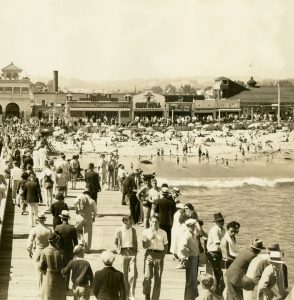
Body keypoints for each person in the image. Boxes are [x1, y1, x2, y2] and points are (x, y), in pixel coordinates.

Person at [142, 215, 168, 300]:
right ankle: (147, 296)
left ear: (158, 222)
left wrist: (163, 256)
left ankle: (155, 298)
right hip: (149, 253)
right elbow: (144, 246)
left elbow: (166, 245)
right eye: (152, 221)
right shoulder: (145, 232)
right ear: (149, 222)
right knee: (147, 277)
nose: (154, 223)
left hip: (159, 255)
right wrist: (150, 238)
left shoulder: (163, 232)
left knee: (158, 278)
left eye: (156, 222)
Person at [114, 215, 138, 300]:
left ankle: (131, 293)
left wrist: (135, 252)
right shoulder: (119, 230)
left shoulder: (133, 230)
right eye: (129, 221)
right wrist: (118, 251)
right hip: (123, 253)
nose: (131, 222)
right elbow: (115, 242)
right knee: (124, 275)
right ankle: (125, 295)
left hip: (132, 252)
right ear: (124, 222)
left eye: (131, 221)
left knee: (133, 275)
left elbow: (135, 241)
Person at [27, 212, 52, 290]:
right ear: (44, 220)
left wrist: (29, 250)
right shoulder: (49, 230)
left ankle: (40, 289)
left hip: (38, 251)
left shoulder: (34, 230)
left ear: (38, 220)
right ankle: (47, 288)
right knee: (47, 271)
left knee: (39, 271)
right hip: (47, 251)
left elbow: (30, 242)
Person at [39, 232, 66, 300]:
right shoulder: (61, 252)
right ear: (56, 240)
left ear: (48, 241)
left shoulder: (44, 251)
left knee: (48, 295)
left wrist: (44, 272)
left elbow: (40, 267)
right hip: (59, 276)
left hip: (48, 276)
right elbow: (64, 266)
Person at [55, 210, 78, 289]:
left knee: (59, 267)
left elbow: (55, 241)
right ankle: (66, 286)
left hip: (59, 250)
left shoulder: (57, 227)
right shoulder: (72, 228)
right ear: (68, 219)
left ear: (62, 219)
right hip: (69, 251)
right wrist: (75, 253)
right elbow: (75, 242)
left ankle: (59, 284)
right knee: (68, 269)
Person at [179, 219, 200, 300]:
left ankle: (191, 297)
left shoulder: (192, 234)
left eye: (193, 225)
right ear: (187, 226)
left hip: (195, 258)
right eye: (190, 226)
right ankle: (188, 298)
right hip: (191, 258)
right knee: (190, 280)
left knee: (193, 279)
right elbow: (182, 248)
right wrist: (188, 254)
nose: (192, 227)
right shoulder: (187, 235)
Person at [206, 212, 226, 295]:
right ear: (216, 222)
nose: (222, 222)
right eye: (220, 221)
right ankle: (217, 291)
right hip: (213, 252)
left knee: (219, 274)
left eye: (222, 220)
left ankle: (218, 291)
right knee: (219, 273)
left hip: (219, 252)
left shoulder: (223, 229)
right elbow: (218, 244)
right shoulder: (214, 230)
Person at [154, 186, 176, 253]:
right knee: (168, 235)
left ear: (162, 194)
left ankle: (161, 248)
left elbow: (156, 210)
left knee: (161, 234)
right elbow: (174, 211)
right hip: (169, 221)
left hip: (161, 220)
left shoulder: (159, 201)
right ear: (167, 194)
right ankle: (168, 249)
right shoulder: (172, 202)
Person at [220, 221, 238, 300]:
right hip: (226, 264)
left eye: (235, 231)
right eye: (232, 231)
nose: (233, 233)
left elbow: (233, 252)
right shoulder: (225, 240)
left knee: (232, 286)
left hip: (232, 262)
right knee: (227, 287)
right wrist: (238, 260)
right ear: (227, 230)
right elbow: (226, 256)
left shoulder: (233, 237)